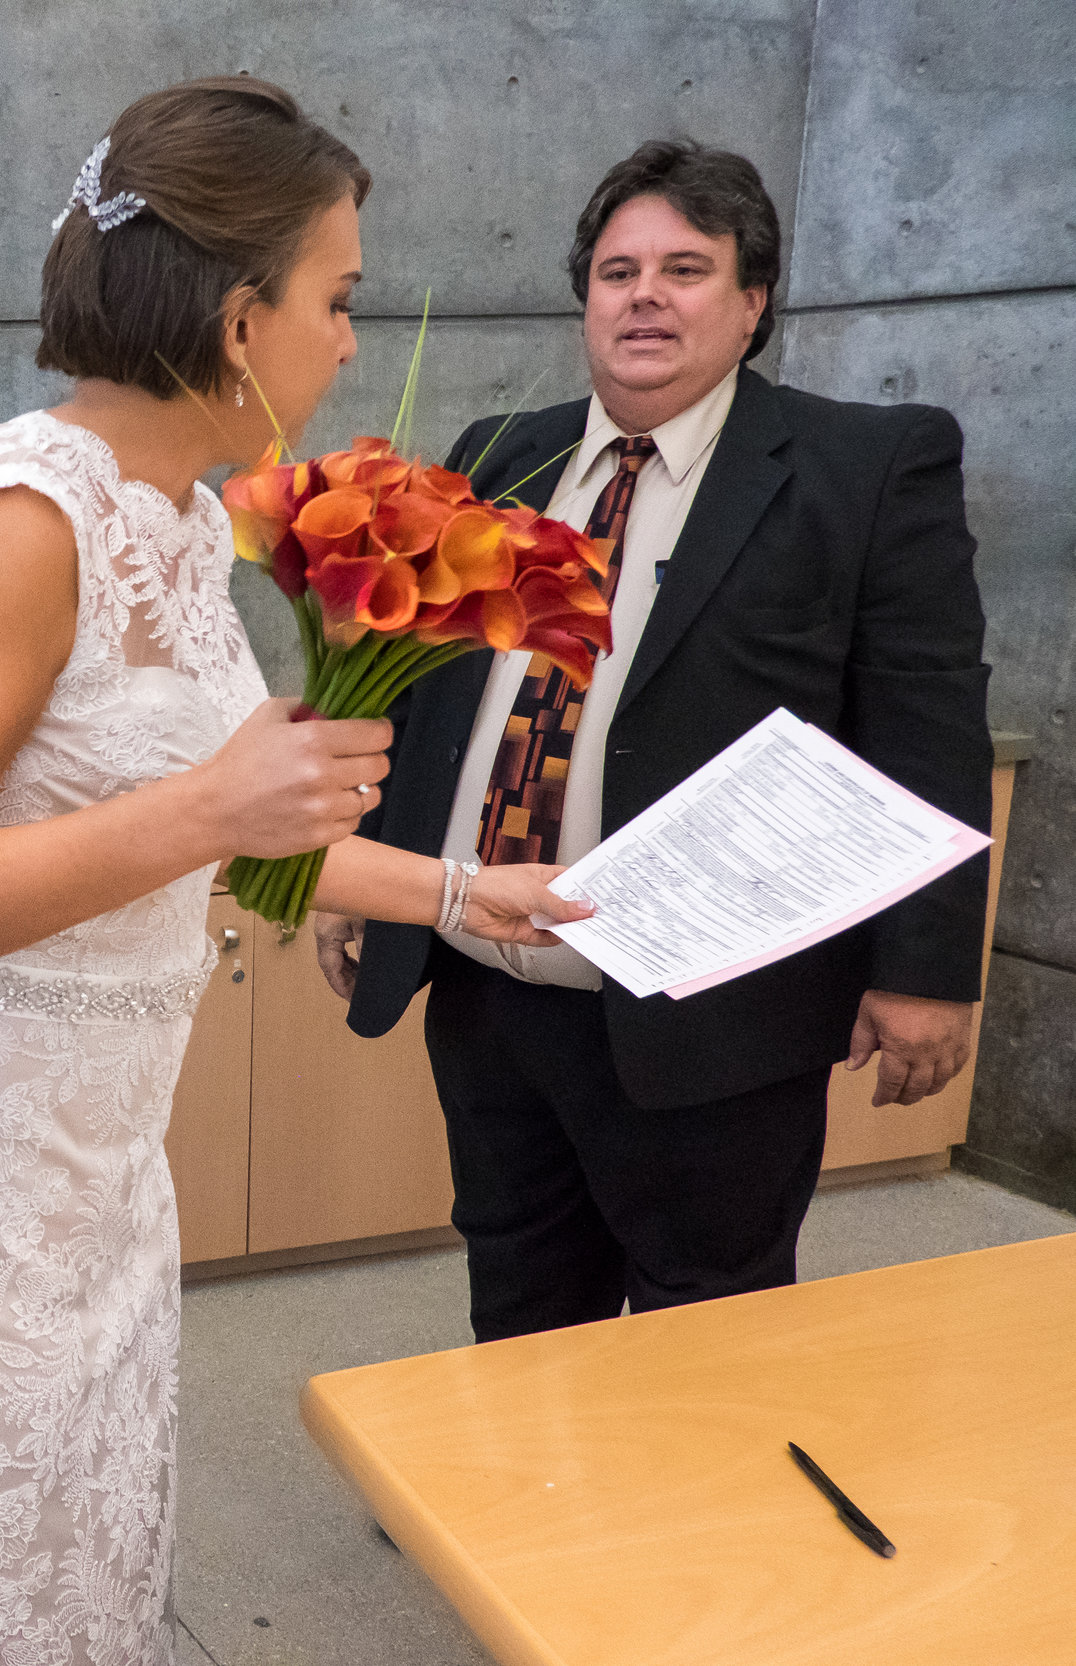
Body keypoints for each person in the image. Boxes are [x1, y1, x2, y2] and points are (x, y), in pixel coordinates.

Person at [0, 77, 590, 1665]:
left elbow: (224, 822)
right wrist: (211, 809)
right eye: (335, 300)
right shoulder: (16, 520)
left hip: (92, 1172)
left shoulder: (184, 517)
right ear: (236, 318)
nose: (349, 341)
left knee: (86, 1582)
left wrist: (463, 894)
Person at [314, 141, 992, 1342]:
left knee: (704, 1323)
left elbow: (924, 721)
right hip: (489, 989)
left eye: (685, 268)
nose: (644, 295)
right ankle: (526, 1526)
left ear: (751, 301)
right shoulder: (494, 456)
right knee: (517, 1287)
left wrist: (925, 971)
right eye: (617, 270)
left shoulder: (866, 466)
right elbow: (418, 696)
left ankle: (687, 1531)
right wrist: (358, 873)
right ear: (584, 299)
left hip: (713, 1008)